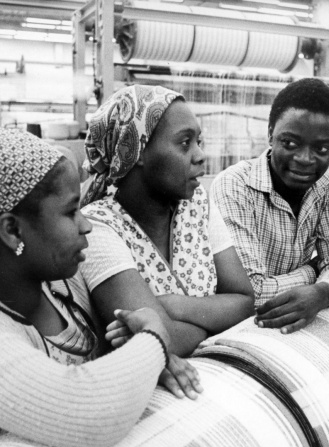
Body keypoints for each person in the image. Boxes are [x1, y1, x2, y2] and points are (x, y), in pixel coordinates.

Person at [0, 129, 201, 447]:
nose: (86, 225)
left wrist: (135, 366)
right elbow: (86, 413)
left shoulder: (63, 281)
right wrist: (154, 335)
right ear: (12, 230)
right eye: (70, 212)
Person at [76, 84, 254, 358]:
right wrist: (213, 325)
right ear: (136, 150)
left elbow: (245, 303)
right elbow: (157, 342)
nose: (199, 155)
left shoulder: (198, 205)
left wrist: (173, 306)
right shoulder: (97, 226)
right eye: (185, 143)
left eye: (199, 142)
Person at [210, 78, 329, 334]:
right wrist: (314, 271)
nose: (304, 159)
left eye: (321, 148)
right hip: (235, 326)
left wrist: (321, 293)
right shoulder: (234, 186)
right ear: (270, 134)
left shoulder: (328, 182)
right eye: (290, 143)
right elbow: (250, 293)